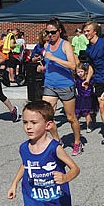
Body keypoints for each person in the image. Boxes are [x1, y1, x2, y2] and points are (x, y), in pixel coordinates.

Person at [39, 19, 82, 156]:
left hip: (65, 85)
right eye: (48, 32)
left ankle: (77, 142)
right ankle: (57, 141)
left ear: (60, 31)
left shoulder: (65, 45)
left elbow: (72, 65)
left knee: (70, 117)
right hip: (50, 84)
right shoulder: (46, 45)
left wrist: (54, 58)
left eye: (53, 32)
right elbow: (49, 64)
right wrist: (43, 67)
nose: (50, 35)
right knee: (46, 116)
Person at [82, 21, 104, 145]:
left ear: (94, 32)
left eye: (88, 31)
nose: (86, 33)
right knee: (103, 106)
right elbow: (91, 65)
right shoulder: (88, 48)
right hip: (99, 80)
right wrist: (87, 79)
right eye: (85, 31)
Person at [74, 62, 97, 132]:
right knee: (77, 112)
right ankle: (76, 126)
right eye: (78, 72)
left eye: (81, 71)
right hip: (80, 98)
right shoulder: (77, 79)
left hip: (88, 98)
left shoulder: (88, 79)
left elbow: (93, 83)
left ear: (85, 71)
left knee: (87, 113)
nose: (80, 73)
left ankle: (89, 126)